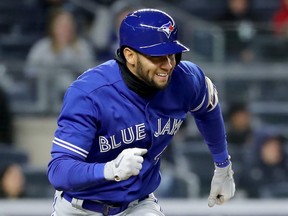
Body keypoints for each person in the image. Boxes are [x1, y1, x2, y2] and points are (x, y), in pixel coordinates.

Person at [47, 8, 235, 216]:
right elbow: (59, 171)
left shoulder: (185, 79)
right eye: (157, 56)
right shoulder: (90, 94)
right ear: (130, 55)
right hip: (79, 207)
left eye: (172, 53)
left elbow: (208, 108)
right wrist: (109, 170)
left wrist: (223, 166)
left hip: (138, 206)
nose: (169, 64)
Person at [25, 8, 95, 112]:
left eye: (69, 25)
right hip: (46, 98)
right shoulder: (42, 47)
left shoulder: (82, 47)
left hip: (77, 101)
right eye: (62, 25)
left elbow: (91, 74)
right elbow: (30, 72)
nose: (66, 28)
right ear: (53, 27)